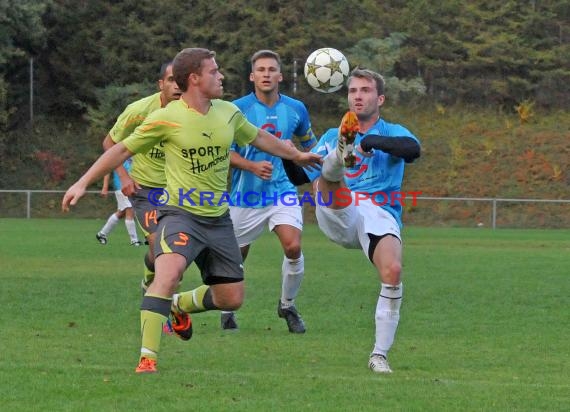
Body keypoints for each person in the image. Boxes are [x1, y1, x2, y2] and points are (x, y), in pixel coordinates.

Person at [61, 47, 322, 374]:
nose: (221, 76)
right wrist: (83, 182)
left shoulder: (227, 112)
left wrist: (296, 156)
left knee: (231, 298)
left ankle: (177, 306)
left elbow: (260, 140)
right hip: (179, 213)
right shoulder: (164, 117)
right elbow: (120, 150)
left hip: (219, 219)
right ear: (195, 79)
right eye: (214, 71)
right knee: (166, 273)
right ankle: (148, 359)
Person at [282, 68, 421, 373]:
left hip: (380, 212)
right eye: (353, 91)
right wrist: (286, 153)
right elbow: (299, 176)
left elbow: (413, 150)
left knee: (393, 271)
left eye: (365, 90)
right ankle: (338, 158)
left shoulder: (392, 131)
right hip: (339, 208)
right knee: (327, 180)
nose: (358, 96)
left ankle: (379, 355)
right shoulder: (332, 134)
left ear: (379, 98)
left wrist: (371, 141)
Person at [214, 50, 317, 332]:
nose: (267, 74)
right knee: (235, 258)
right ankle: (226, 310)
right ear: (252, 76)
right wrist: (250, 165)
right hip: (244, 195)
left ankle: (287, 305)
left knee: (293, 246)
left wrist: (315, 174)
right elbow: (222, 152)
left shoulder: (296, 109)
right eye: (261, 70)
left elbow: (312, 147)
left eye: (272, 69)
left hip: (282, 191)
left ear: (280, 76)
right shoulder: (235, 109)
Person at [101, 61, 181, 293]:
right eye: (171, 80)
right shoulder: (139, 111)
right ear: (161, 84)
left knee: (172, 253)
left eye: (180, 80)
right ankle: (168, 310)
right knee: (161, 247)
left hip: (180, 190)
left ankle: (149, 277)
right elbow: (110, 143)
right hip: (146, 189)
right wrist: (124, 177)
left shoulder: (194, 111)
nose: (176, 86)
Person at [96, 158, 142, 246]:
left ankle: (102, 234)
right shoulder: (119, 152)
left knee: (121, 212)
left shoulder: (133, 152)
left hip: (130, 186)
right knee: (130, 210)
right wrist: (105, 187)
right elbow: (107, 169)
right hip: (121, 186)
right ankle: (134, 240)